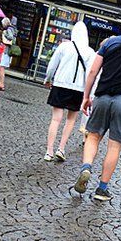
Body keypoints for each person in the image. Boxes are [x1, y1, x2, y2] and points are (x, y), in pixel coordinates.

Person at [73, 12, 121, 202]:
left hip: (102, 97)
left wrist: (86, 96)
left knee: (93, 136)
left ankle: (86, 168)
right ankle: (102, 189)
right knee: (114, 145)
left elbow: (93, 70)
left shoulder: (109, 43)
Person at [44, 21, 95, 162]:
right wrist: (89, 93)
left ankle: (49, 151)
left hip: (60, 84)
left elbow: (52, 65)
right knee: (71, 120)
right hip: (78, 89)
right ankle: (61, 148)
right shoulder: (90, 52)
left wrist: (48, 79)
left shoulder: (64, 46)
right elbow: (90, 74)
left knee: (56, 119)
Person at [0, 17, 16, 91]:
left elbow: (10, 37)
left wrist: (4, 34)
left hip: (6, 51)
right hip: (6, 51)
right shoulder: (12, 29)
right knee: (1, 68)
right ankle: (1, 84)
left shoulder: (9, 29)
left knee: (1, 68)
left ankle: (1, 84)